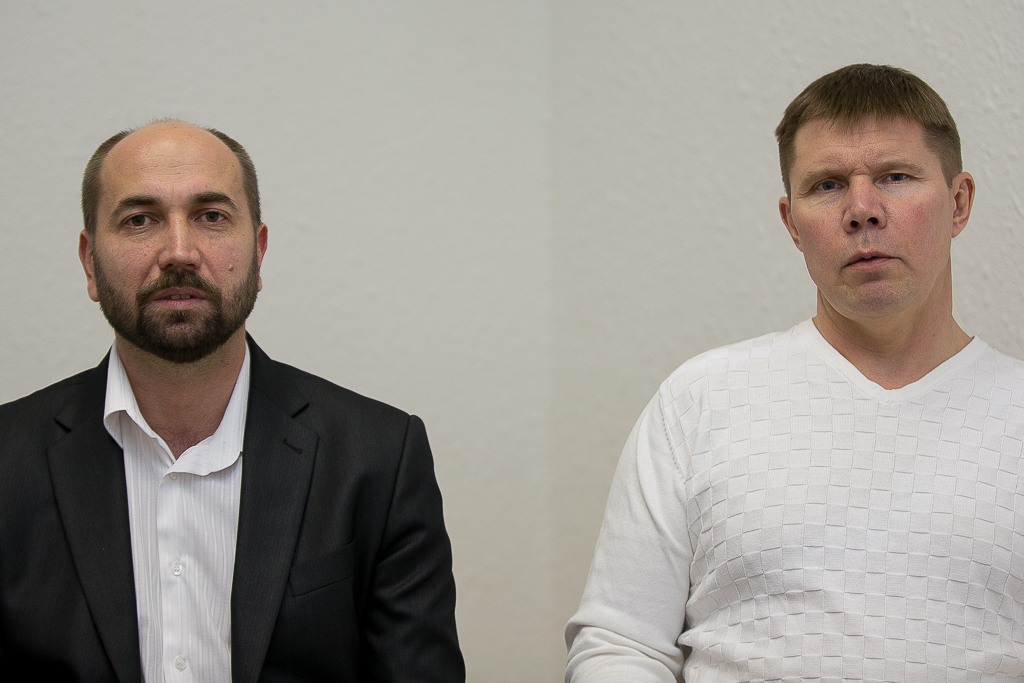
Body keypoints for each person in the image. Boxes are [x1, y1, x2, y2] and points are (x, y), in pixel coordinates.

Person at [565, 64, 1024, 682]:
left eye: (895, 176)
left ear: (959, 202)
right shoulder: (699, 402)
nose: (862, 210)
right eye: (827, 185)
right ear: (792, 224)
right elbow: (622, 644)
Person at [0, 121, 465, 683]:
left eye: (211, 217)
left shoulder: (379, 458)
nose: (179, 252)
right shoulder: (8, 461)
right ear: (89, 262)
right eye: (139, 219)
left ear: (259, 252)